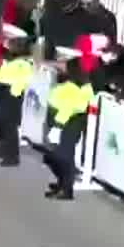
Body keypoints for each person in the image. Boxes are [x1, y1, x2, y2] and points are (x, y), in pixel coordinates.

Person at [43, 60, 95, 200]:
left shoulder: (78, 88)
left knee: (63, 156)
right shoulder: (71, 84)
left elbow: (69, 108)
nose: (62, 70)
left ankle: (66, 189)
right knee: (55, 155)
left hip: (69, 123)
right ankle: (62, 183)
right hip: (62, 121)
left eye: (66, 68)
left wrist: (58, 126)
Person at [0, 35, 36, 166]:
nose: (8, 46)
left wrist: (14, 91)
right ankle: (1, 150)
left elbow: (24, 79)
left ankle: (12, 157)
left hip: (11, 94)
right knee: (0, 123)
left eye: (11, 45)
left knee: (9, 126)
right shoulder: (10, 58)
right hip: (2, 89)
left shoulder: (25, 63)